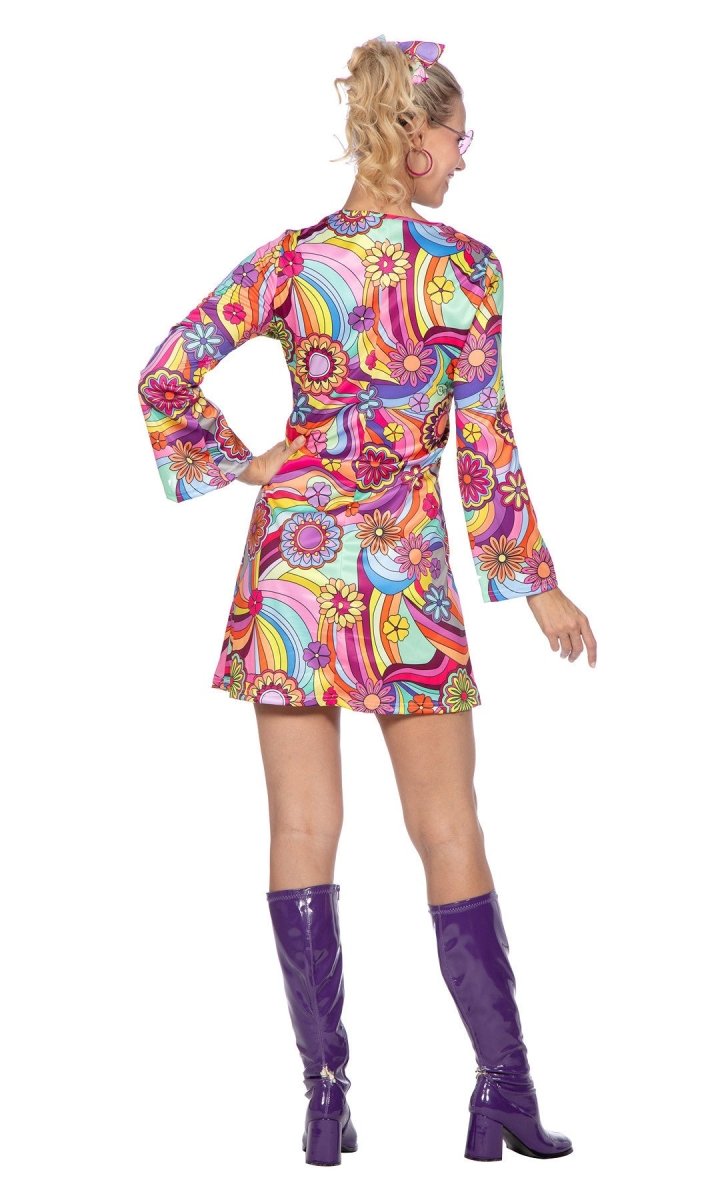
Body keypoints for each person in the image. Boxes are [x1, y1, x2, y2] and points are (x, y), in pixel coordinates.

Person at [137, 34, 597, 1167]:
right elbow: (484, 443)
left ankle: (325, 1100)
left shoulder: (290, 261)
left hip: (293, 566)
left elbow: (164, 371)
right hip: (400, 569)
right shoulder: (466, 271)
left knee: (301, 829)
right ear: (414, 135)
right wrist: (535, 586)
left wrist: (247, 464)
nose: (464, 158)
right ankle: (503, 1091)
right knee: (448, 828)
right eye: (459, 137)